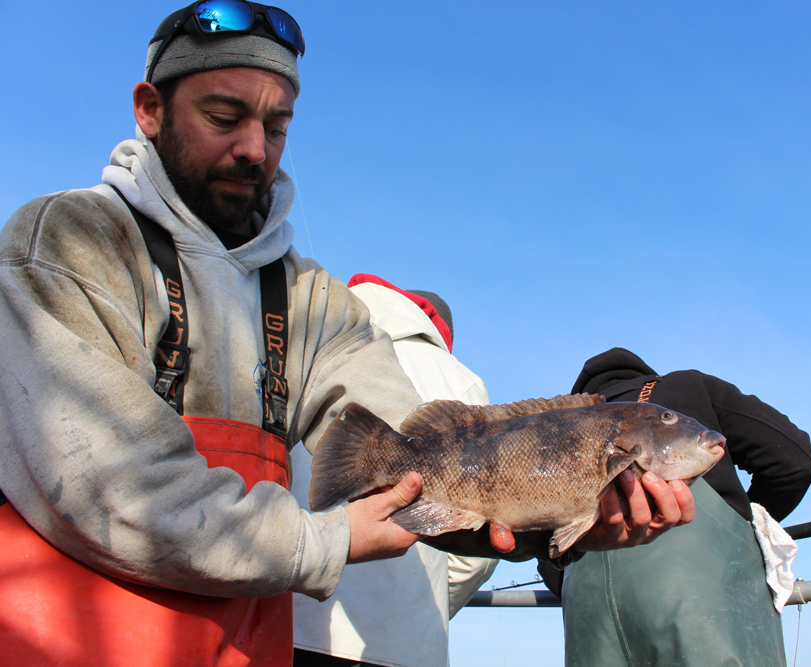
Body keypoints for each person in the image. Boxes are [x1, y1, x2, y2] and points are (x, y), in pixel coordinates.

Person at [0, 6, 694, 666]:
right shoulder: (70, 240)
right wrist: (323, 539)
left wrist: (558, 514)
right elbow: (110, 485)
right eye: (224, 116)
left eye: (277, 126)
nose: (254, 148)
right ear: (149, 109)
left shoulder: (310, 298)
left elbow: (417, 452)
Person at [549, 347, 811, 667]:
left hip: (590, 624)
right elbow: (793, 462)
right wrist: (743, 527)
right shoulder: (687, 386)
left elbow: (550, 552)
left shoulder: (557, 430)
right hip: (709, 610)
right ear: (645, 375)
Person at [291, 274, 497, 667]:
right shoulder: (463, 383)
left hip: (290, 619)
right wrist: (426, 602)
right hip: (406, 645)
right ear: (438, 331)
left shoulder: (312, 341)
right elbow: (475, 552)